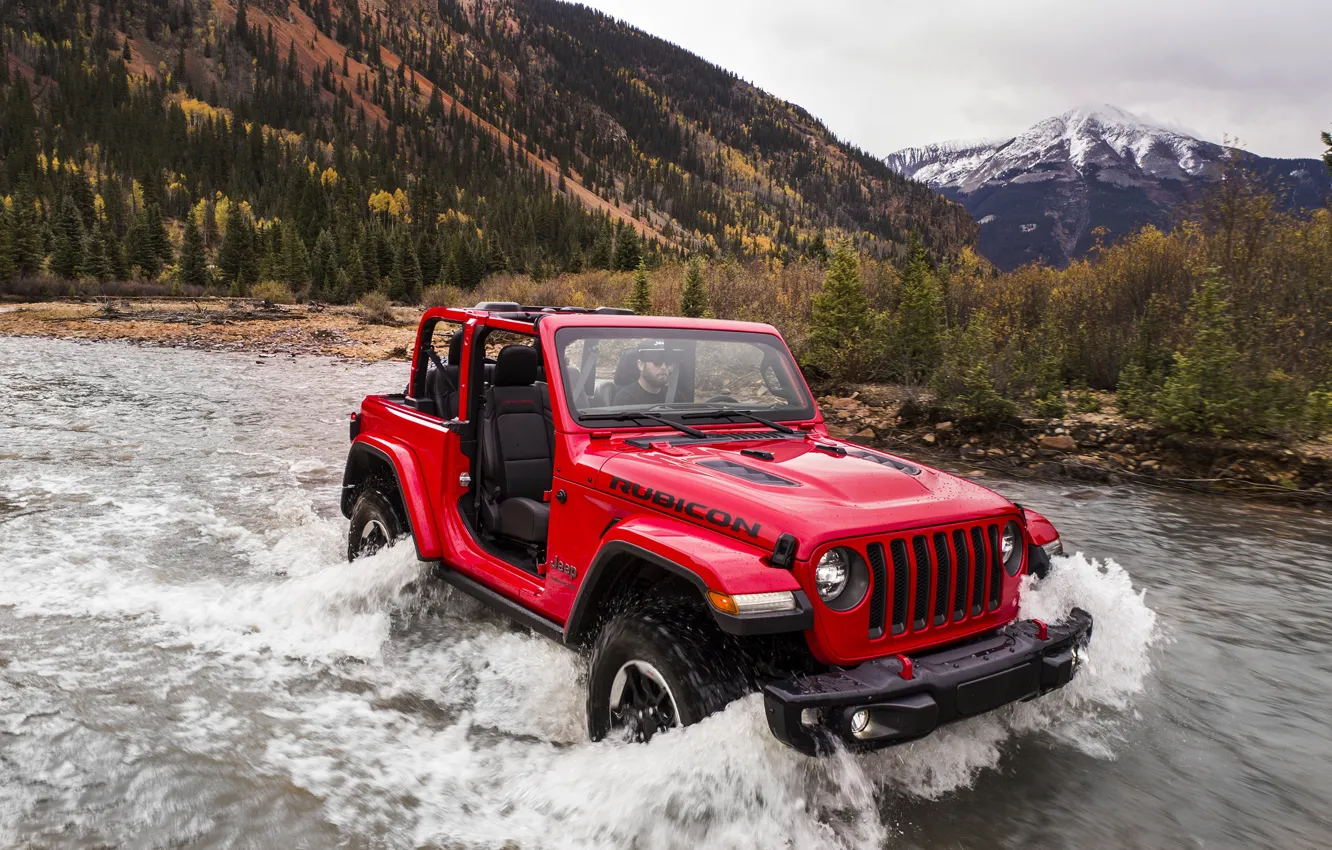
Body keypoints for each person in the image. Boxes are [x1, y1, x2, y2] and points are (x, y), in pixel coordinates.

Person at [613, 341, 674, 406]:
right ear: (641, 365)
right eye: (657, 362)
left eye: (668, 362)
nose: (664, 367)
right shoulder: (625, 400)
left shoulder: (675, 396)